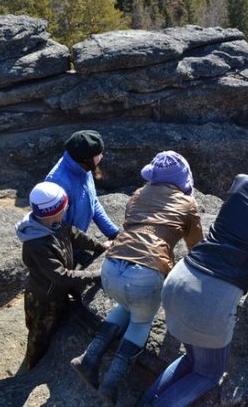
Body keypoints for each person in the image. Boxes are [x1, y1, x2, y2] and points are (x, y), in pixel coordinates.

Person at [138, 132, 248, 406]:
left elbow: (245, 233)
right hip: (210, 300)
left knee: (190, 359)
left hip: (179, 279)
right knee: (209, 374)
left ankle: (145, 400)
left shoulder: (243, 182)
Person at [70, 151, 204, 405]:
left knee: (125, 305)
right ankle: (111, 383)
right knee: (141, 322)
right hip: (145, 274)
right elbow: (195, 247)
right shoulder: (187, 204)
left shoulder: (138, 194)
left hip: (111, 268)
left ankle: (89, 358)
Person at [15, 181, 108, 371]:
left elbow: (75, 235)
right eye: (64, 205)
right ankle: (31, 369)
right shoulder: (37, 244)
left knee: (56, 324)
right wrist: (95, 274)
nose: (67, 208)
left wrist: (100, 246)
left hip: (56, 292)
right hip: (44, 298)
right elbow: (61, 276)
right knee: (39, 335)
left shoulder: (55, 224)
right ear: (52, 211)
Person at [46, 130, 119, 265]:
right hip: (66, 250)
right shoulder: (58, 183)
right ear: (86, 158)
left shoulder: (82, 168)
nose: (102, 156)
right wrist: (88, 249)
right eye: (99, 154)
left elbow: (93, 201)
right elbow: (59, 228)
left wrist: (113, 232)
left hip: (78, 243)